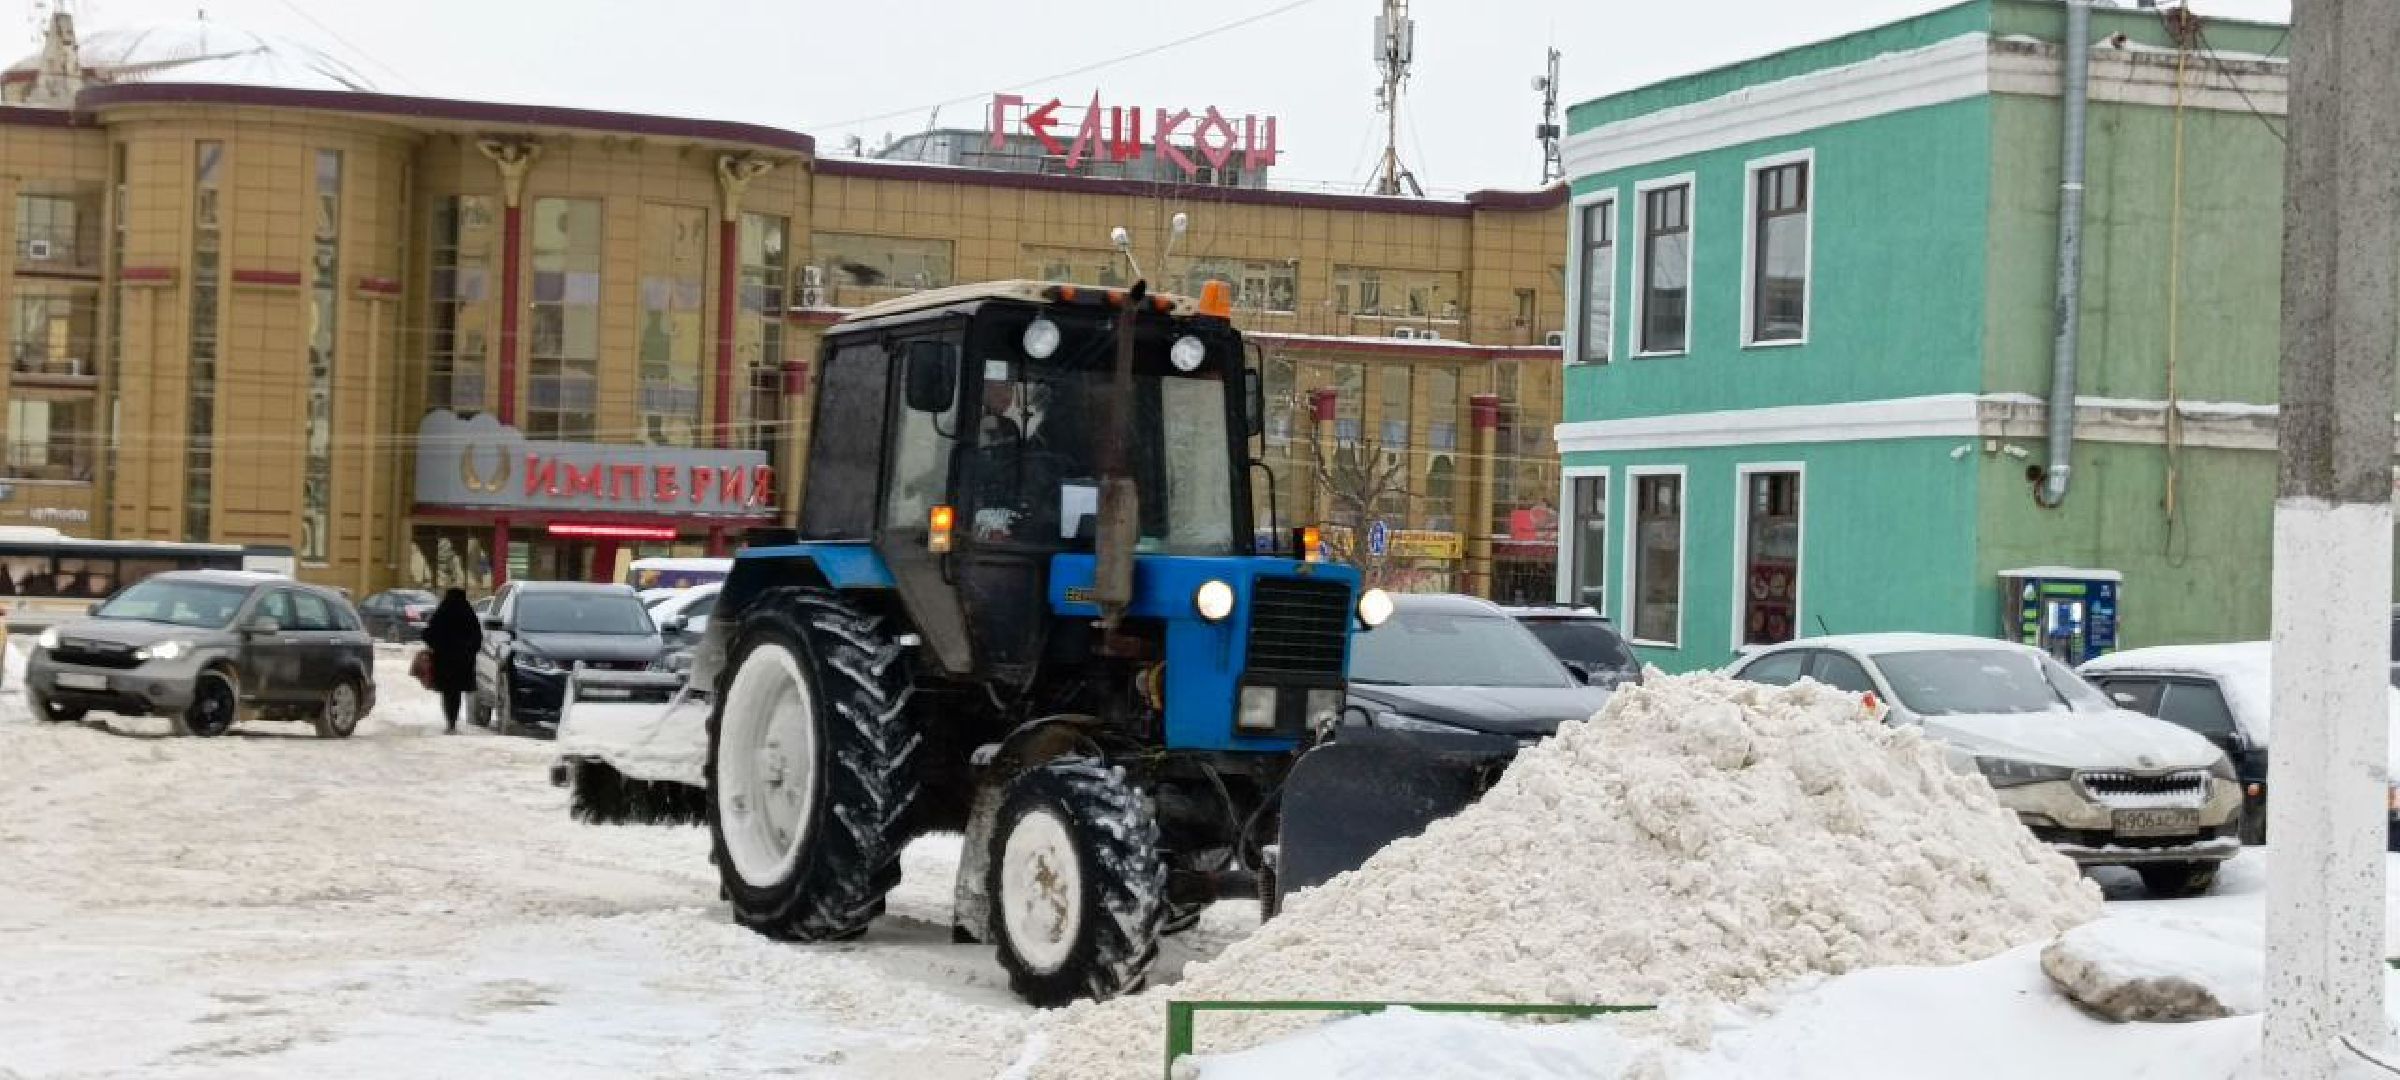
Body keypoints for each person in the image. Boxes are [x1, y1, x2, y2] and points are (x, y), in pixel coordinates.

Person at [420, 588, 483, 734]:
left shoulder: (443, 611)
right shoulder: (468, 612)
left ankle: (450, 721)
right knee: (456, 692)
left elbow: (429, 634)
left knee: (447, 691)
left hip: (444, 660)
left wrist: (437, 646)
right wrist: (469, 650)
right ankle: (453, 721)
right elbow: (477, 637)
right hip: (463, 661)